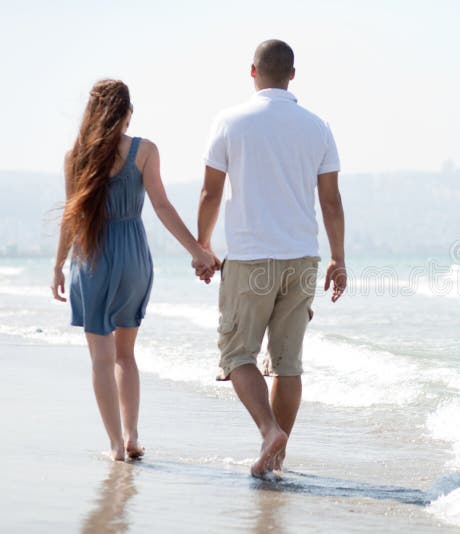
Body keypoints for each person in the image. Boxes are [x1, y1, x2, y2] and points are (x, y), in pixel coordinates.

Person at [195, 39, 347, 477]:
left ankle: (268, 434)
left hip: (249, 258)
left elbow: (210, 191)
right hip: (302, 258)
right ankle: (276, 458)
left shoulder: (229, 121)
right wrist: (338, 258)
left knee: (238, 354)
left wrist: (204, 247)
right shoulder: (317, 126)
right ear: (292, 75)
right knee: (287, 363)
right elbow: (331, 201)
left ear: (252, 72)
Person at [51, 79, 217, 461]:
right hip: (132, 257)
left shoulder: (75, 156)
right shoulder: (144, 151)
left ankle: (114, 445)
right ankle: (132, 437)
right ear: (126, 113)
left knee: (101, 358)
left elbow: (70, 217)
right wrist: (198, 251)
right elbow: (161, 206)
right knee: (125, 354)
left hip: (90, 257)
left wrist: (58, 265)